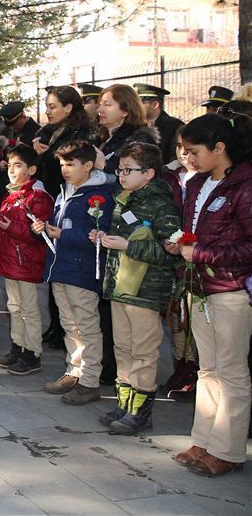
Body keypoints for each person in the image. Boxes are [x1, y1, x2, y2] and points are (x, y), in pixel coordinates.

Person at [169, 113, 252, 477]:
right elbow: (194, 232)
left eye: (194, 150)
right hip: (199, 287)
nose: (188, 157)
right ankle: (204, 440)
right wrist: (181, 246)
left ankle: (228, 449)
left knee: (232, 372)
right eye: (184, 150)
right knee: (208, 369)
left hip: (230, 290)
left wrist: (200, 253)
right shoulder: (198, 182)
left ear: (220, 148)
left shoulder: (245, 185)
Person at [94, 142, 180, 435]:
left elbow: (168, 250)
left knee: (144, 351)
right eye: (119, 169)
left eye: (128, 170)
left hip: (145, 290)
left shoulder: (161, 204)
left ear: (149, 173)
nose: (121, 175)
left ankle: (141, 412)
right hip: (121, 286)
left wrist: (127, 246)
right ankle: (125, 403)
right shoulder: (124, 199)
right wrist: (105, 237)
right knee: (123, 347)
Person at [33, 140, 116, 405]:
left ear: (89, 165)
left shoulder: (100, 195)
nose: (65, 169)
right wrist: (45, 228)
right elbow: (61, 225)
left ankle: (90, 381)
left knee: (87, 327)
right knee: (70, 325)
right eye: (61, 164)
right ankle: (74, 370)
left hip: (82, 270)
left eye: (71, 164)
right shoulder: (66, 190)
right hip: (61, 266)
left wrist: (63, 234)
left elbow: (99, 234)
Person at [33, 86, 96, 349]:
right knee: (54, 268)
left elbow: (66, 171)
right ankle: (57, 327)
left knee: (69, 276)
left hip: (73, 206)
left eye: (53, 106)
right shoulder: (48, 132)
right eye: (47, 106)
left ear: (69, 108)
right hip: (56, 201)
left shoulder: (80, 133)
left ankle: (68, 335)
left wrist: (45, 155)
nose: (47, 111)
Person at [0, 143, 54, 375]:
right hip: (10, 260)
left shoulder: (38, 196)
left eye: (19, 166)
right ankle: (18, 345)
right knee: (14, 306)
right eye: (11, 165)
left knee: (28, 309)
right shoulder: (11, 193)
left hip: (26, 261)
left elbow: (40, 233)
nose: (12, 170)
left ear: (32, 170)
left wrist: (12, 227)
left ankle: (32, 352)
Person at [159, 129, 200, 397]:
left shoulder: (209, 178)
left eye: (190, 148)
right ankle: (180, 365)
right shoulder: (170, 177)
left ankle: (195, 370)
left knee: (195, 318)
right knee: (177, 316)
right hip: (175, 256)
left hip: (200, 259)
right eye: (179, 147)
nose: (184, 154)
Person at [95, 84, 158, 176]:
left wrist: (103, 164)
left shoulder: (140, 140)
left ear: (125, 111)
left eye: (107, 105)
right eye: (100, 104)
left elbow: (136, 177)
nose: (99, 110)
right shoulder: (100, 137)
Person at [135, 83, 184, 164]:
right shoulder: (134, 126)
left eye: (140, 104)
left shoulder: (174, 126)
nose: (136, 107)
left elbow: (176, 157)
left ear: (155, 105)